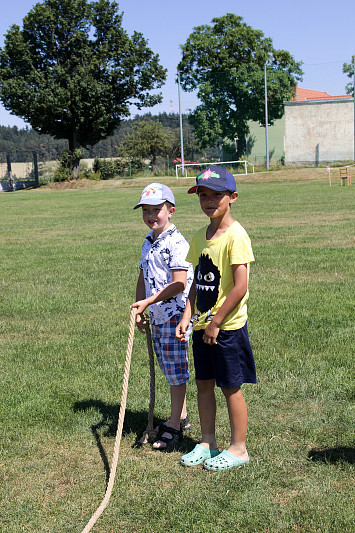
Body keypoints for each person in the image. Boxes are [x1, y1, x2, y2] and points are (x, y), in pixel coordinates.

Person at [176, 165, 256, 471]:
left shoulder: (237, 236)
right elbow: (197, 283)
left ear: (232, 197)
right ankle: (208, 442)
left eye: (217, 195)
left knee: (230, 386)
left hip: (227, 328)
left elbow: (240, 286)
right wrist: (187, 316)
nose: (209, 201)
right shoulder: (200, 237)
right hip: (202, 325)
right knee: (204, 384)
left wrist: (217, 321)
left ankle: (238, 448)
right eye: (203, 195)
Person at [131, 182, 194, 450]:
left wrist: (150, 301)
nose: (150, 215)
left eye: (157, 209)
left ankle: (174, 425)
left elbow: (180, 283)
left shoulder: (176, 242)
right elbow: (143, 275)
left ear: (171, 211)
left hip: (175, 315)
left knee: (176, 370)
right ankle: (181, 415)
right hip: (157, 316)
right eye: (146, 210)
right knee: (169, 366)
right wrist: (139, 306)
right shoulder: (149, 242)